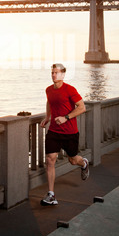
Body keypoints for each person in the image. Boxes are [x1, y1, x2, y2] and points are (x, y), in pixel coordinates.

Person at [40, 63, 89, 205]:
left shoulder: (70, 89)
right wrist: (47, 117)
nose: (54, 75)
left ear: (63, 74)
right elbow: (49, 103)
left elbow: (82, 107)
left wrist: (66, 117)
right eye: (52, 73)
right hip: (54, 131)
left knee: (73, 160)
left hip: (70, 132)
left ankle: (83, 163)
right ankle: (51, 195)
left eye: (56, 72)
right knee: (50, 159)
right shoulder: (48, 90)